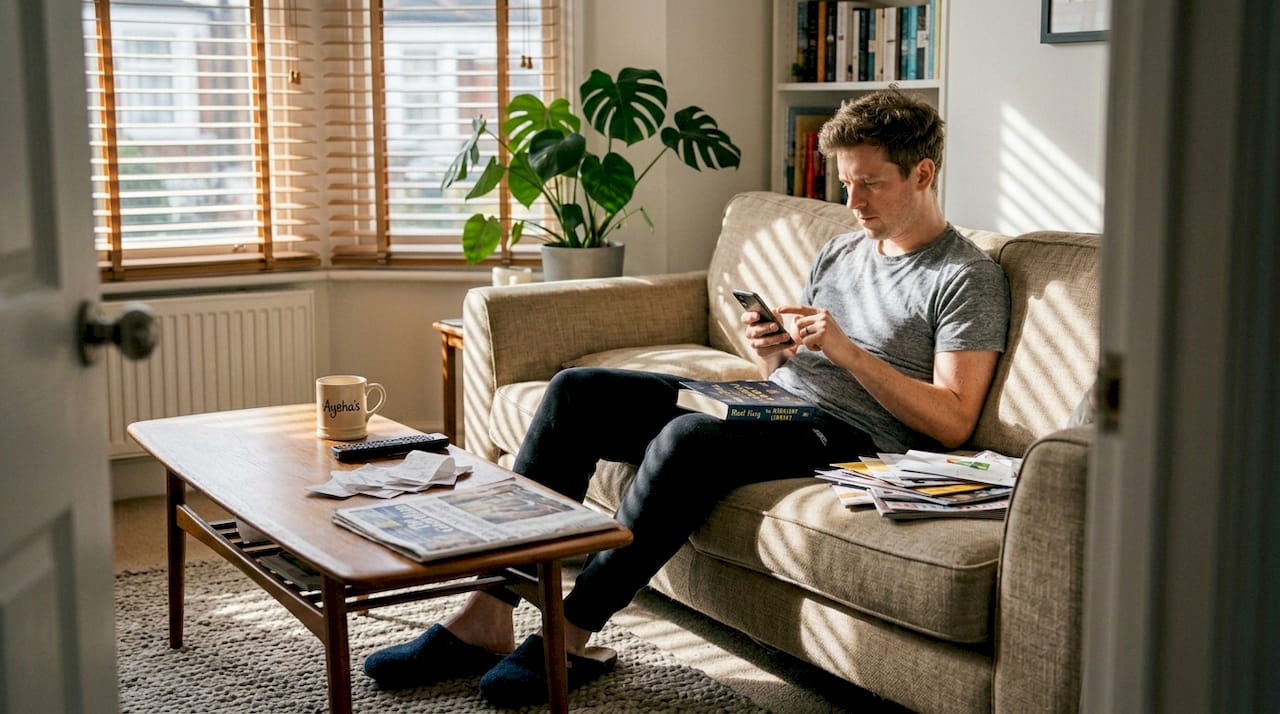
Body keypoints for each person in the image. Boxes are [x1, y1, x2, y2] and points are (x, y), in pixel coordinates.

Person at [362, 88, 1011, 706]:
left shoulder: (965, 277)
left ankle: (571, 632)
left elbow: (953, 420)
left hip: (855, 441)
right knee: (575, 393)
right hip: (775, 401)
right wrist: (776, 348)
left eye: (871, 182)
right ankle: (488, 611)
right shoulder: (843, 249)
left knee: (687, 440)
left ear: (923, 174)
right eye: (846, 182)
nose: (854, 199)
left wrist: (845, 352)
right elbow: (796, 367)